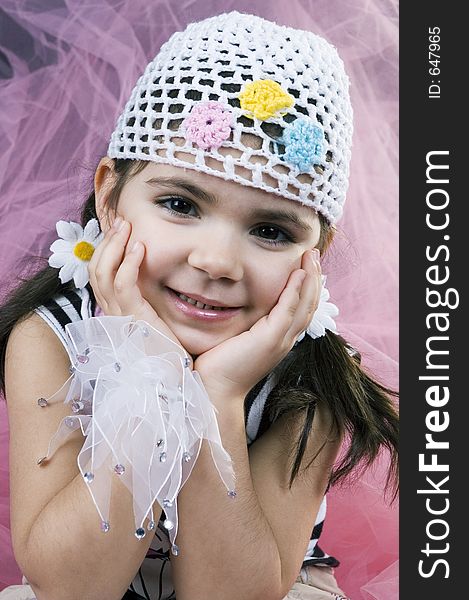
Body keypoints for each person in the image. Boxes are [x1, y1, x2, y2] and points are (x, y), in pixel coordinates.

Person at [0, 11, 398, 600]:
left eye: (271, 231)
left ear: (314, 255)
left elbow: (230, 594)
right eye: (182, 205)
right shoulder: (51, 337)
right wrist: (152, 371)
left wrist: (219, 396)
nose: (216, 261)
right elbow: (69, 588)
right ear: (109, 197)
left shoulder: (311, 382)